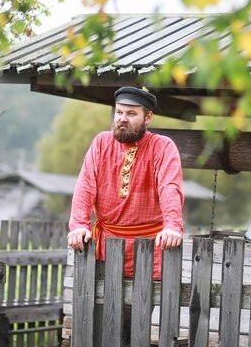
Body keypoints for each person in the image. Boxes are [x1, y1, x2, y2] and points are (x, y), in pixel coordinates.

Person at [67, 86, 185, 279]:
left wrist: (172, 226)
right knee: (103, 307)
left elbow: (169, 188)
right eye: (119, 112)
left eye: (131, 113)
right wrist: (79, 225)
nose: (122, 118)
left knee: (139, 307)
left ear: (147, 118)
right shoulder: (101, 142)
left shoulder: (162, 146)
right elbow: (85, 185)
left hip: (149, 250)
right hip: (106, 248)